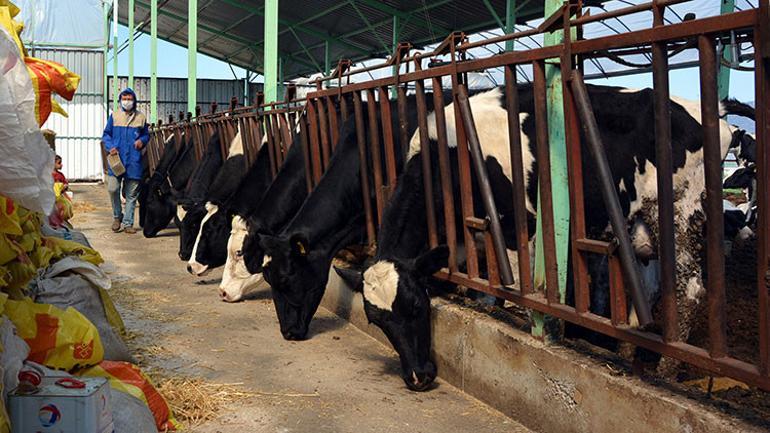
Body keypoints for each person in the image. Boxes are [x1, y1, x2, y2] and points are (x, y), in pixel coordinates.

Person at [102, 88, 149, 234]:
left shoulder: (141, 117)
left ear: (134, 100)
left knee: (131, 194)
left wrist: (142, 140)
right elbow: (106, 135)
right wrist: (110, 147)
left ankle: (128, 223)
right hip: (117, 160)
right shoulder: (114, 116)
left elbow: (147, 135)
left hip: (133, 161)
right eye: (124, 98)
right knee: (112, 189)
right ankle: (117, 216)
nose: (126, 101)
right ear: (120, 100)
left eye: (129, 98)